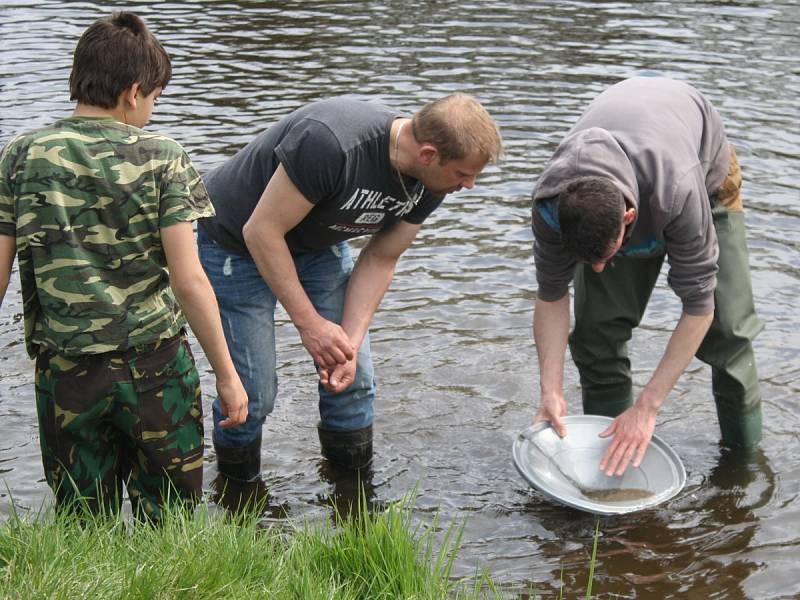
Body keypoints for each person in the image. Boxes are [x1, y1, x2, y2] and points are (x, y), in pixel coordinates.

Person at [0, 12, 248, 519]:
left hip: (66, 372)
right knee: (172, 518)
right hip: (155, 369)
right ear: (134, 92)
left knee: (83, 520)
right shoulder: (164, 158)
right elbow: (188, 279)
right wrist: (227, 374)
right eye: (155, 97)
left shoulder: (22, 156)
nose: (153, 110)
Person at [198, 94, 502, 482]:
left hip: (317, 243)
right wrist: (310, 325)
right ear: (428, 154)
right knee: (253, 393)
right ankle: (238, 493)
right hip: (237, 242)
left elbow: (381, 258)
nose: (470, 185)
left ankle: (353, 496)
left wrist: (349, 343)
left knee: (352, 376)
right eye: (464, 174)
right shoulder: (333, 143)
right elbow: (261, 232)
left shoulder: (433, 182)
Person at [530, 76, 763, 476]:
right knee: (596, 333)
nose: (600, 271)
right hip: (617, 182)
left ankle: (743, 468)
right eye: (590, 263)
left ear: (628, 219)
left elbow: (698, 306)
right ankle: (611, 470)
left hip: (705, 176)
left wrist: (648, 407)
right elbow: (551, 296)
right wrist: (550, 390)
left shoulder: (679, 190)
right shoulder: (552, 203)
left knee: (727, 334)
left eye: (607, 257)